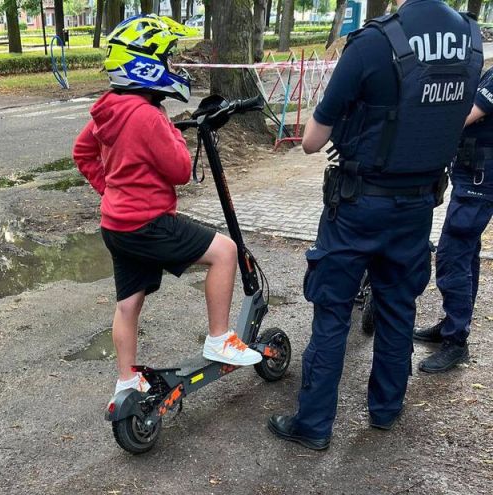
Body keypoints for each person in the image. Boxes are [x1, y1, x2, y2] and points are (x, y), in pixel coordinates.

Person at [268, 0, 483, 451]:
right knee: (398, 306)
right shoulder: (470, 39)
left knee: (332, 311)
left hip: (358, 206)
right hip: (419, 204)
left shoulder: (373, 42)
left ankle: (313, 424)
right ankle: (386, 408)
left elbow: (312, 142)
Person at [72, 14, 261, 402]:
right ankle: (219, 338)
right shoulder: (148, 116)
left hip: (117, 226)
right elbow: (178, 171)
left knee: (128, 304)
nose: (172, 66)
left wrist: (110, 191)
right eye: (167, 59)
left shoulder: (108, 108)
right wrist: (171, 130)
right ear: (145, 65)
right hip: (148, 223)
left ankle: (127, 381)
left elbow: (83, 151)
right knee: (225, 252)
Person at [414, 65, 493, 372]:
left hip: (479, 183)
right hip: (472, 178)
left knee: (452, 255)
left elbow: (465, 116)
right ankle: (453, 325)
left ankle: (456, 341)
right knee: (466, 255)